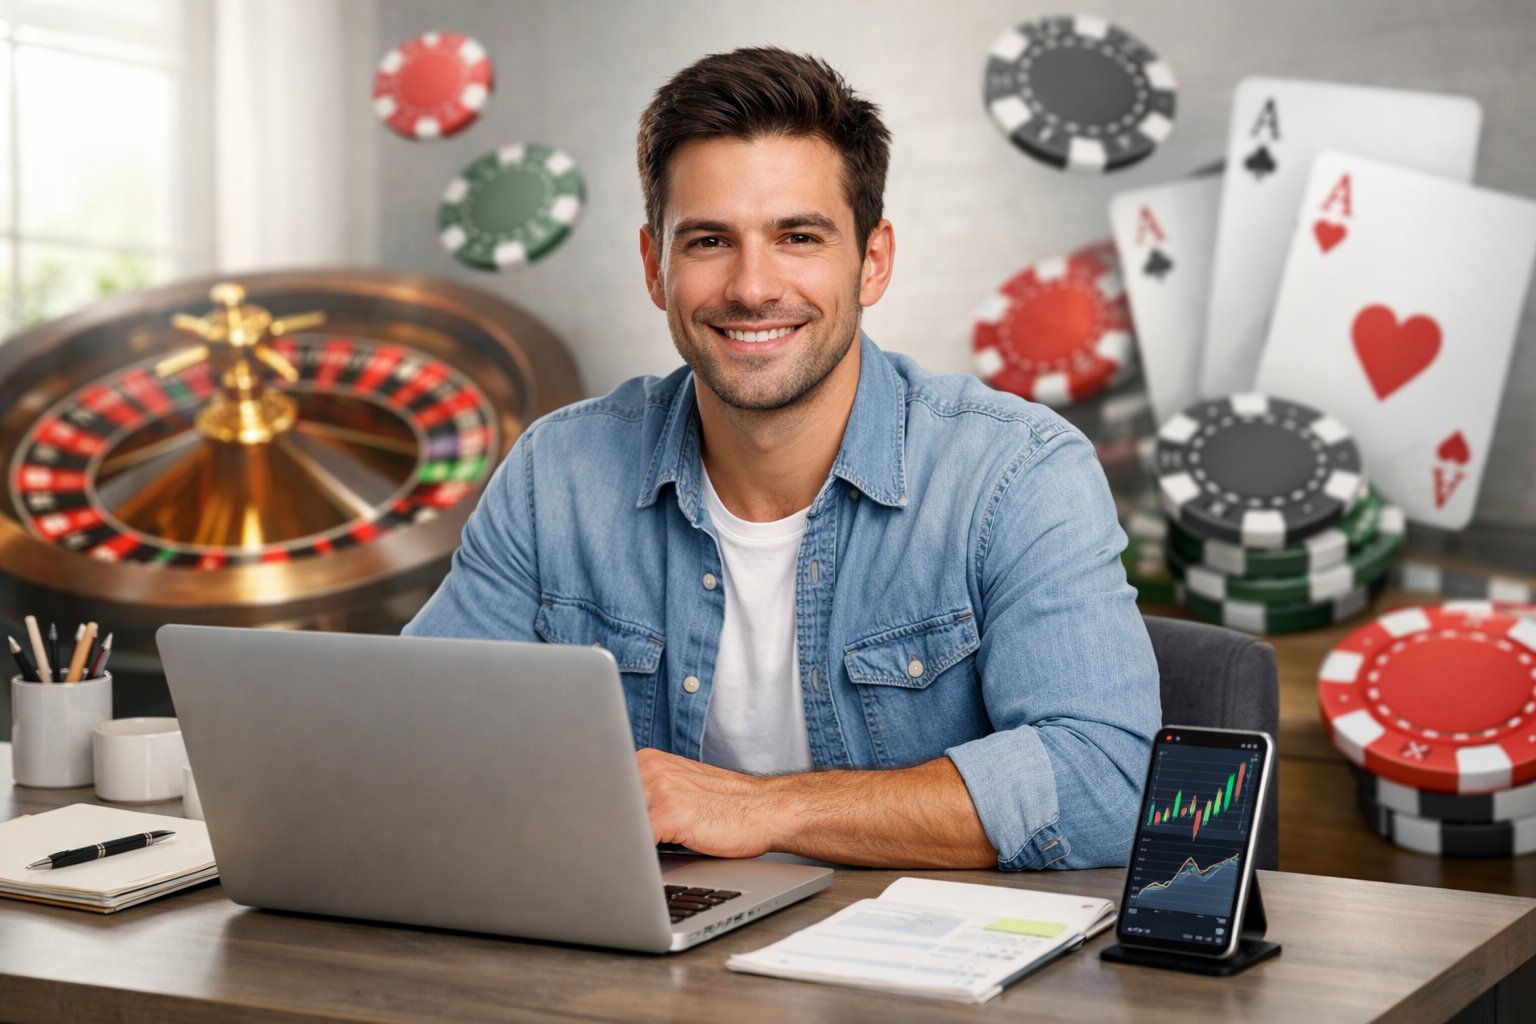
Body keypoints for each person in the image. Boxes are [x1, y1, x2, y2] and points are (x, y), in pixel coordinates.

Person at [405, 46, 1159, 870]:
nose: (753, 286)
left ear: (872, 261)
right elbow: (416, 740)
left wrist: (763, 809)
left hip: (912, 977)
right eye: (707, 242)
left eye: (798, 236)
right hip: (648, 961)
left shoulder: (1018, 473)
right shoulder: (560, 472)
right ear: (655, 267)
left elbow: (1110, 781)